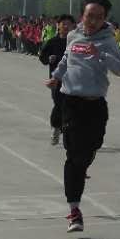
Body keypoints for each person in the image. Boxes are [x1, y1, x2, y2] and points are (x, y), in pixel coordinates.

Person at [46, 0, 120, 233]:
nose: (92, 21)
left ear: (104, 20)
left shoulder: (108, 41)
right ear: (82, 16)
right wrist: (57, 76)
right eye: (89, 15)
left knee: (92, 146)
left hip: (95, 105)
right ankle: (74, 211)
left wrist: (100, 54)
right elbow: (65, 60)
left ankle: (84, 162)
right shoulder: (73, 36)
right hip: (71, 102)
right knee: (73, 157)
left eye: (98, 17)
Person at [39, 14, 74, 146]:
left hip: (73, 80)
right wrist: (48, 59)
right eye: (63, 23)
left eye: (68, 24)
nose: (66, 26)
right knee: (59, 104)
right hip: (56, 80)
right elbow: (42, 57)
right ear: (58, 25)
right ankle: (56, 128)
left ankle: (67, 131)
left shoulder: (76, 43)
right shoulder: (52, 42)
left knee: (71, 106)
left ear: (73, 26)